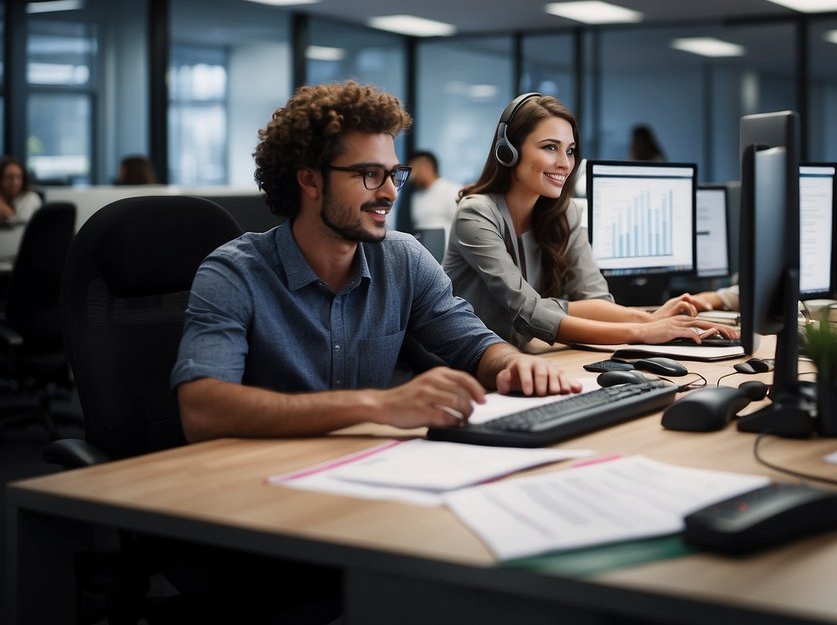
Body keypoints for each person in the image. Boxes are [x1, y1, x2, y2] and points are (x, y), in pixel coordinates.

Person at [171, 82, 578, 443]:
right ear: (309, 180)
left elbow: (475, 344)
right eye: (369, 174)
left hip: (363, 471)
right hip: (253, 487)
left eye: (393, 174)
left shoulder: (403, 259)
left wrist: (514, 365)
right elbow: (202, 410)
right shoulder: (234, 273)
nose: (390, 193)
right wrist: (375, 405)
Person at [444, 93, 735, 348]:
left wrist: (648, 318)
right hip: (463, 367)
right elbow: (529, 311)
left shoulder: (562, 213)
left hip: (522, 358)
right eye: (549, 147)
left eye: (569, 151)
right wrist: (642, 330)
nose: (565, 163)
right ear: (508, 152)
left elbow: (595, 298)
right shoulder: (476, 214)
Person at [406, 149, 461, 231]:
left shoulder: (452, 191)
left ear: (427, 167)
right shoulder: (416, 195)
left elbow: (461, 226)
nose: (411, 176)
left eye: (414, 170)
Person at [0, 156, 42, 261]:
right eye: (9, 177)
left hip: (24, 256)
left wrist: (8, 214)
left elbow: (21, 231)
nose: (14, 182)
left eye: (18, 177)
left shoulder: (30, 198)